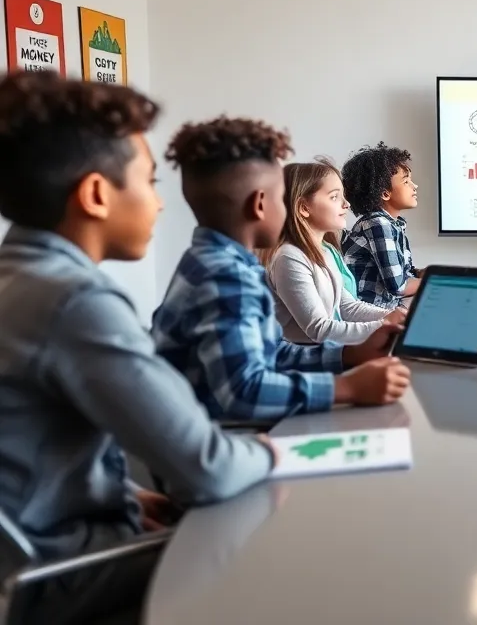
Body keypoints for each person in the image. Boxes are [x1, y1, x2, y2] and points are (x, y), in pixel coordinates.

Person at [0, 73, 275, 624]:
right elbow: (210, 468)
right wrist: (283, 454)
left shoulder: (17, 276)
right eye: (149, 182)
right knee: (281, 556)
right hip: (61, 580)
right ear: (97, 194)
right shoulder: (76, 302)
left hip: (31, 554)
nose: (159, 204)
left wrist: (124, 494)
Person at [152, 117, 411, 422]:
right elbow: (243, 391)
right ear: (260, 205)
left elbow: (271, 351)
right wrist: (346, 388)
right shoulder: (225, 276)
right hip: (224, 437)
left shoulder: (222, 264)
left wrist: (346, 355)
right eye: (281, 198)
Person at [263, 160, 403, 345]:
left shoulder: (327, 251)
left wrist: (394, 316)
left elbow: (348, 307)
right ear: (304, 208)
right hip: (303, 362)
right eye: (334, 197)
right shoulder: (289, 257)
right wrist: (384, 325)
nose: (346, 204)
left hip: (327, 352)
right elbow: (318, 329)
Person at [341, 142, 420, 308]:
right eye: (406, 182)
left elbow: (403, 274)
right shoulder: (377, 224)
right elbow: (398, 286)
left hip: (386, 310)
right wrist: (435, 280)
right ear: (385, 193)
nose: (415, 186)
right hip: (372, 315)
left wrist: (422, 273)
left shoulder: (393, 224)